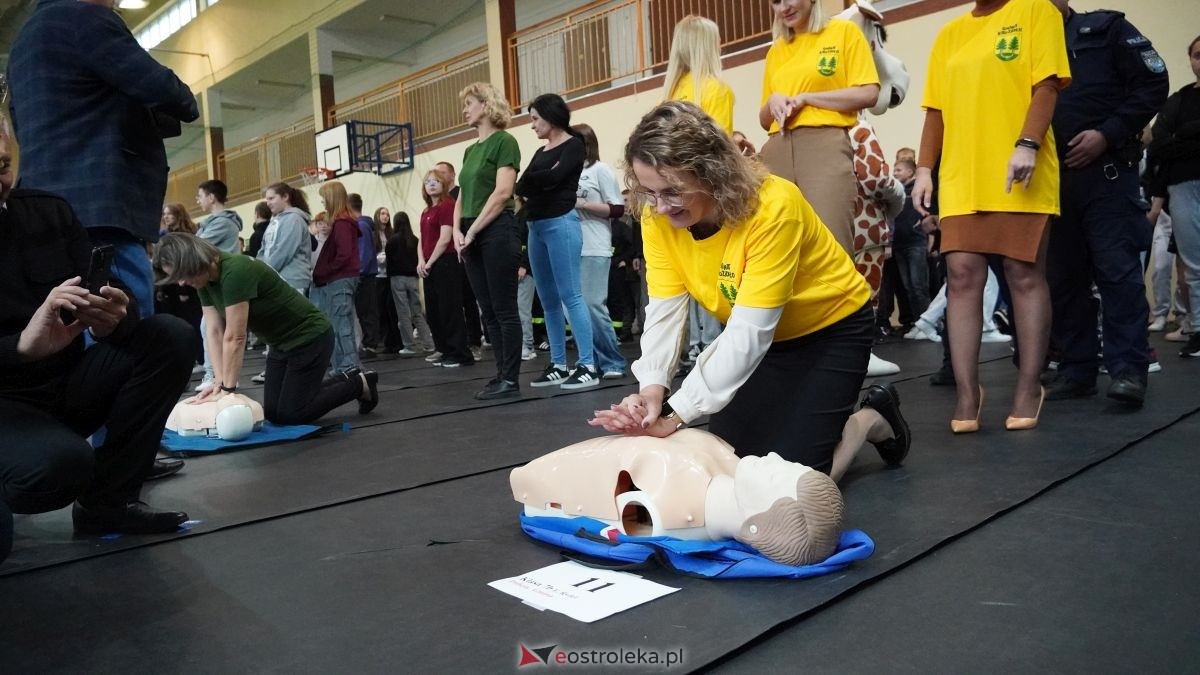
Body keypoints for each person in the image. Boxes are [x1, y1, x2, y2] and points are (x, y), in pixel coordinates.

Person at [589, 102, 908, 482]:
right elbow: (664, 312)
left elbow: (748, 334)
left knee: (791, 481)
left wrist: (675, 414)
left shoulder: (774, 206)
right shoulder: (657, 217)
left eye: (672, 191)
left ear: (712, 175)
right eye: (648, 192)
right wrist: (651, 394)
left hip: (830, 330)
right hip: (762, 339)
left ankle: (871, 418)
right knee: (730, 466)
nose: (658, 207)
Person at [0, 116, 194, 563]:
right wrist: (20, 346)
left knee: (169, 336)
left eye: (3, 166)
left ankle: (109, 502)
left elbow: (100, 294)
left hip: (63, 389)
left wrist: (112, 319)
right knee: (58, 469)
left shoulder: (50, 211)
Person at [913, 0, 1071, 432]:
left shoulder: (1038, 11)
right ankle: (967, 391)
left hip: (1020, 167)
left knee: (1023, 274)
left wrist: (1028, 143)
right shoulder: (949, 35)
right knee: (961, 277)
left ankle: (1028, 386)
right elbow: (936, 111)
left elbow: (1047, 86)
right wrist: (925, 169)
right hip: (963, 176)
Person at [7, 0, 199, 319]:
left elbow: (19, 127)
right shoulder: (86, 18)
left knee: (72, 335)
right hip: (101, 211)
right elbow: (168, 91)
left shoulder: (22, 43)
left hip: (41, 213)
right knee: (133, 338)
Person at [1042, 0, 1169, 406]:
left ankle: (1129, 370)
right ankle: (1077, 369)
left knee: (1118, 273)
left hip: (1107, 174)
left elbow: (1153, 82)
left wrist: (1107, 134)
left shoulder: (1105, 28)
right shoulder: (1018, 43)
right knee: (1063, 280)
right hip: (1048, 180)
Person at [154, 233, 379, 425]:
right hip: (280, 345)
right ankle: (348, 377)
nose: (181, 283)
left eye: (181, 274)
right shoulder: (204, 282)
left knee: (292, 414)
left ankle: (359, 384)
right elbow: (214, 331)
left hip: (310, 338)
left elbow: (235, 337)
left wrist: (228, 391)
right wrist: (217, 383)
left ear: (192, 260)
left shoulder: (235, 270)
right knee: (273, 413)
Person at [758, 0, 880, 254]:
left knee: (831, 242)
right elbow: (763, 119)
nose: (783, 8)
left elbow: (869, 93)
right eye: (775, 2)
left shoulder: (844, 32)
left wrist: (807, 98)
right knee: (779, 247)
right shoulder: (776, 50)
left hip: (825, 144)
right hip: (776, 148)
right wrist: (772, 101)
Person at [515, 94, 597, 391]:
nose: (533, 125)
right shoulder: (541, 152)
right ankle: (559, 364)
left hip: (561, 223)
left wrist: (540, 180)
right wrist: (541, 179)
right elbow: (522, 184)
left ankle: (587, 364)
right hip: (537, 226)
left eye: (535, 118)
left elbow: (554, 177)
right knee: (548, 300)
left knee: (570, 295)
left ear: (551, 116)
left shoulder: (574, 144)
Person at [453, 82, 525, 400]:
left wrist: (472, 230)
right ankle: (500, 375)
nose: (465, 109)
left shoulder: (504, 142)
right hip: (471, 233)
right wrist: (457, 229)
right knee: (488, 311)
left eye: (469, 103)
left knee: (504, 307)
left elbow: (502, 193)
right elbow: (462, 195)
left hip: (496, 230)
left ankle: (510, 379)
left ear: (486, 104)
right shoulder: (470, 150)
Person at [1147, 35, 1200, 358]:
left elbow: (1171, 141)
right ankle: (1197, 329)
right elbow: (1160, 145)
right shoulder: (1178, 101)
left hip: (1184, 183)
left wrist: (1183, 135)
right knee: (1192, 265)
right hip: (1182, 187)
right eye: (1197, 55)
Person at [572, 123, 628, 380]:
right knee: (575, 309)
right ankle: (590, 360)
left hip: (594, 244)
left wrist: (583, 203)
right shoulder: (568, 173)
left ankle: (612, 360)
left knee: (594, 305)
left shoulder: (600, 170)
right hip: (570, 246)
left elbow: (618, 208)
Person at [417, 170, 473, 368]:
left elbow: (445, 238)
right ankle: (445, 349)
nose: (431, 185)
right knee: (434, 311)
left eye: (436, 181)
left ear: (443, 184)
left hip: (445, 262)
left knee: (450, 309)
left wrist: (430, 262)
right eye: (428, 182)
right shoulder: (425, 212)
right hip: (430, 265)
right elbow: (422, 239)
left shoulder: (447, 205)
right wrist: (420, 261)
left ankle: (460, 352)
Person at [194, 179, 244, 391]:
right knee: (210, 328)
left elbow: (196, 246)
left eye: (200, 195)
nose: (198, 200)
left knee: (217, 330)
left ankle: (217, 375)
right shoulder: (212, 222)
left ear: (211, 197)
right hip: (215, 285)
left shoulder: (223, 223)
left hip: (225, 284)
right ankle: (218, 375)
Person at [311, 181, 362, 375]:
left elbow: (344, 254)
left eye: (324, 198)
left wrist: (327, 271)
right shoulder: (345, 222)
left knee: (341, 323)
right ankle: (346, 364)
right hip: (343, 278)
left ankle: (348, 364)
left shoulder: (341, 224)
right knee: (343, 322)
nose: (323, 202)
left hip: (340, 279)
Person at [662, 15, 735, 134]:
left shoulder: (666, 98)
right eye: (718, 43)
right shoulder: (717, 90)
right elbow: (719, 148)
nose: (720, 49)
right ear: (709, 49)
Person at [386, 211, 435, 356]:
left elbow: (389, 261)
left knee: (403, 313)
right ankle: (429, 343)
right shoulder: (415, 240)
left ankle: (409, 345)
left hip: (397, 279)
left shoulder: (392, 240)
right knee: (417, 312)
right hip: (413, 279)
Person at [259, 182, 313, 295]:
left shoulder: (294, 219)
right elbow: (263, 250)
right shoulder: (274, 222)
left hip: (293, 281)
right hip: (276, 279)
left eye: (271, 198)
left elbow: (284, 251)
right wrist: (257, 269)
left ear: (285, 197)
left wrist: (264, 273)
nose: (268, 203)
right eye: (267, 200)